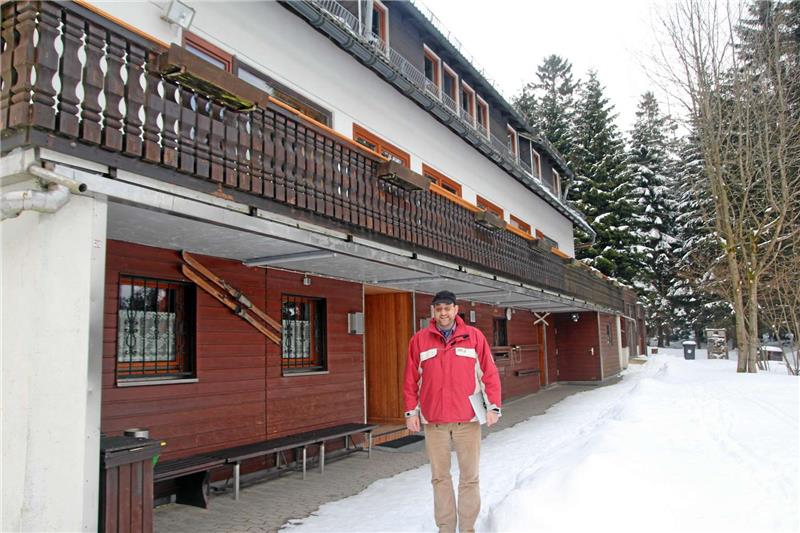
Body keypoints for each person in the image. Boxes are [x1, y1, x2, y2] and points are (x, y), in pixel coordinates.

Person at [403, 290, 502, 533]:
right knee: (440, 478)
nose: (443, 313)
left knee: (469, 478)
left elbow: (489, 373)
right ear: (433, 312)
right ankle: (445, 529)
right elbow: (410, 379)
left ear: (456, 310)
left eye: (448, 308)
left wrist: (493, 406)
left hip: (467, 420)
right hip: (433, 421)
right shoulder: (419, 340)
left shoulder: (474, 336)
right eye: (439, 309)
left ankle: (467, 529)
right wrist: (411, 412)